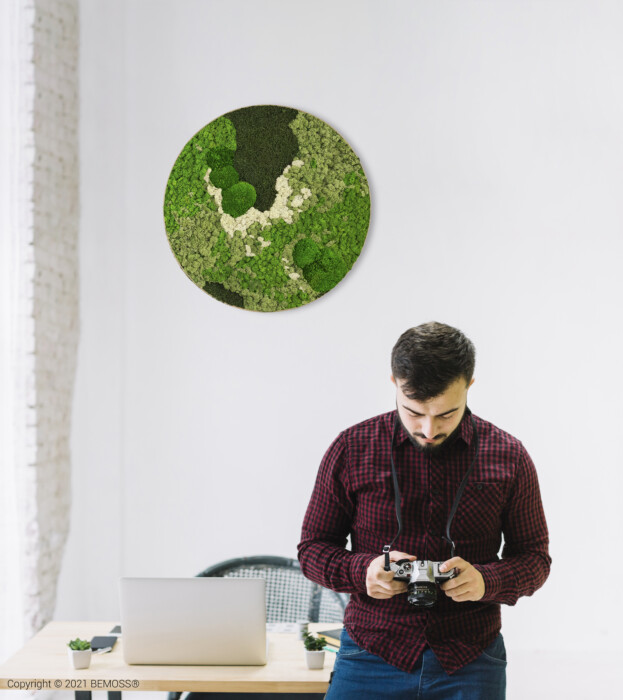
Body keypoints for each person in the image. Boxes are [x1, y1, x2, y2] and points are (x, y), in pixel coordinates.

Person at [298, 321, 551, 700]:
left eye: (446, 414)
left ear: (469, 385)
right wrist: (363, 571)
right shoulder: (352, 449)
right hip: (370, 653)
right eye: (414, 412)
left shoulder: (509, 456)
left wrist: (486, 581)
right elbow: (312, 549)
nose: (429, 429)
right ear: (394, 382)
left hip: (470, 659)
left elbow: (535, 559)